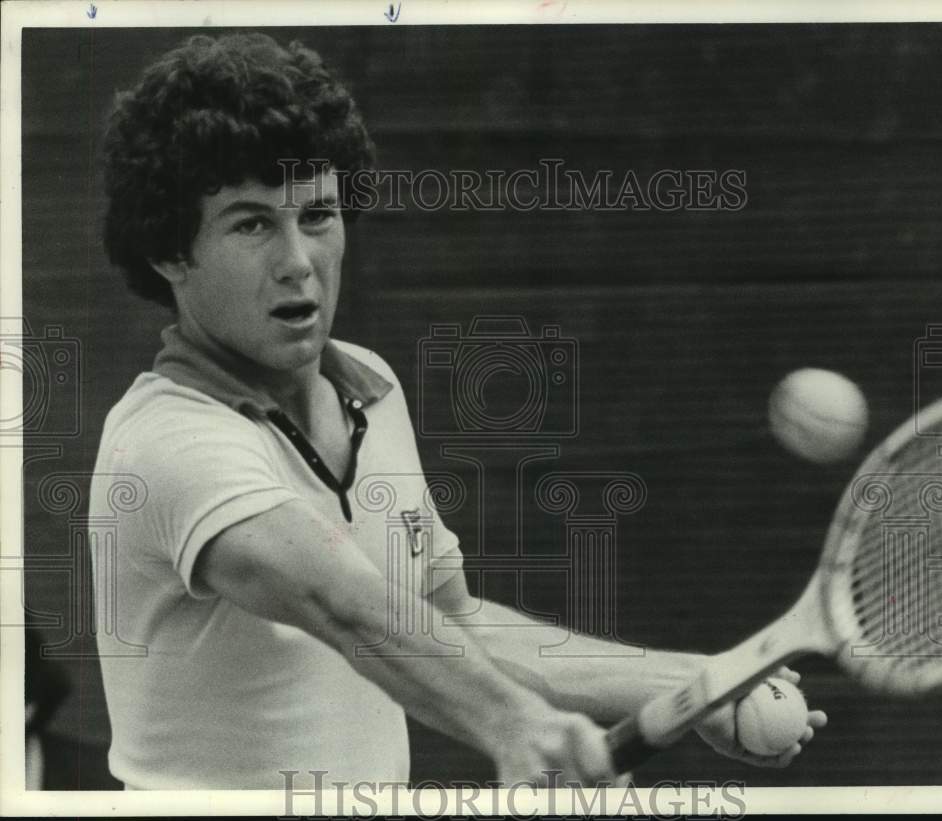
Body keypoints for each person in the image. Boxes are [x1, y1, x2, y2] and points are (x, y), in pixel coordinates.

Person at [91, 31, 826, 790]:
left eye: (317, 215)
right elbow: (345, 605)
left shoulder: (369, 386)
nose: (298, 259)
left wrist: (695, 683)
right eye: (251, 224)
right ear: (170, 253)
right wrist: (514, 723)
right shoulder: (167, 442)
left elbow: (453, 622)